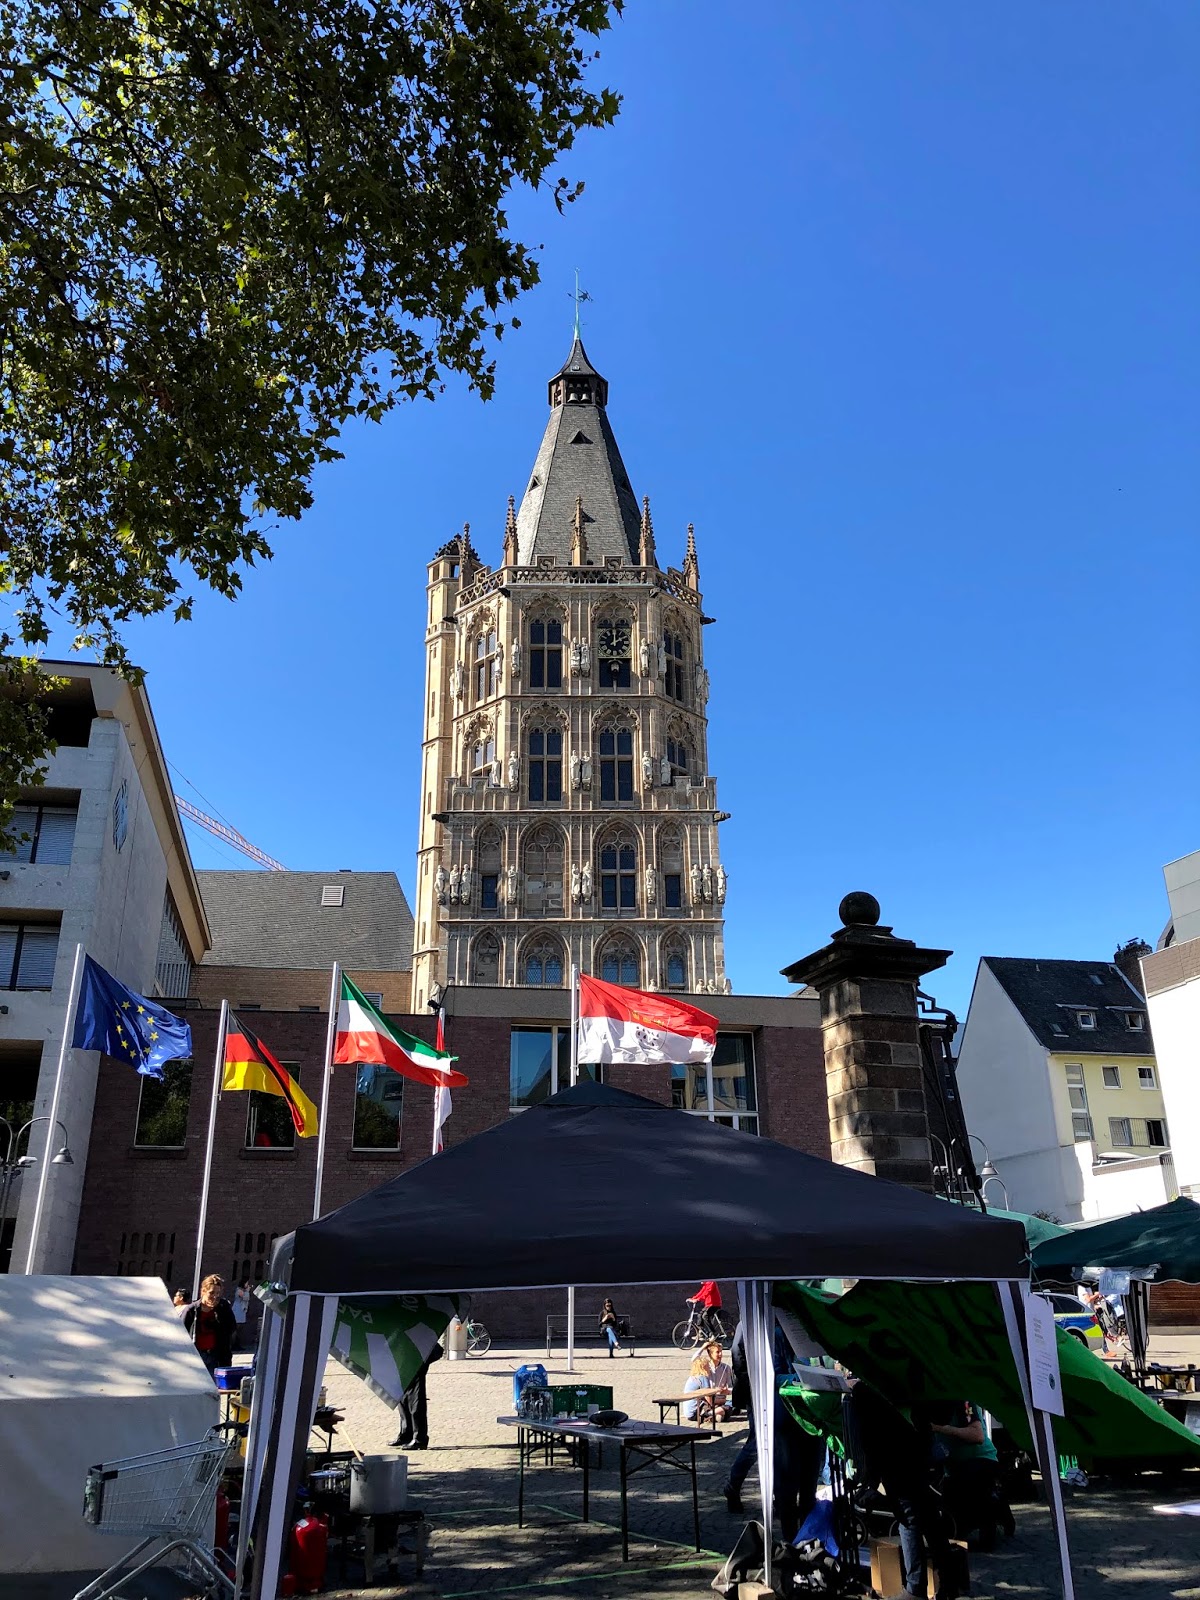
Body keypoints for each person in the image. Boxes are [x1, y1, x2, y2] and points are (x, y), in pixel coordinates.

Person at [848, 1381, 955, 1600]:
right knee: (928, 1515)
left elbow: (871, 1433)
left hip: (896, 1447)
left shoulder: (868, 1389)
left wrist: (870, 1477)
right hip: (916, 1438)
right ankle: (948, 1581)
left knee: (908, 1516)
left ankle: (916, 1588)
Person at [930, 1401, 1010, 1551]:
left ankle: (996, 1515)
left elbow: (977, 1435)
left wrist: (940, 1429)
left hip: (980, 1461)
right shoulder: (926, 1405)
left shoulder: (965, 1404)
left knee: (973, 1480)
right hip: (953, 1468)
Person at [390, 1341, 444, 1451]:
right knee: (403, 1399)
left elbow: (436, 1350)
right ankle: (406, 1434)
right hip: (403, 1360)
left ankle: (419, 1438)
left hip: (416, 1359)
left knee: (416, 1401)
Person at [184, 1274, 237, 1377]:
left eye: (218, 1293)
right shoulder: (192, 1310)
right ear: (203, 1291)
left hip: (217, 1356)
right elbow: (181, 1333)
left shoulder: (223, 1307)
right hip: (197, 1355)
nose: (215, 1297)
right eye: (211, 1293)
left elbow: (231, 1327)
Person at [683, 1340, 733, 1423]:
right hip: (707, 1401)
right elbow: (694, 1359)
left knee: (734, 1403)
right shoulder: (704, 1368)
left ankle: (716, 1414)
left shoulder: (726, 1368)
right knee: (727, 1408)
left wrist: (727, 1391)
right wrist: (703, 1347)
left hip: (719, 1399)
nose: (720, 1354)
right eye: (717, 1352)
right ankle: (715, 1414)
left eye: (721, 1352)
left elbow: (731, 1388)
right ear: (710, 1354)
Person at [232, 1277, 252, 1348]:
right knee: (236, 1327)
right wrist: (247, 1291)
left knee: (240, 1328)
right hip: (238, 1310)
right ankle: (233, 1344)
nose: (247, 1285)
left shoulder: (243, 1290)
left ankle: (237, 1343)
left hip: (242, 1310)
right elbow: (245, 1297)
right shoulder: (239, 1290)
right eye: (246, 1283)